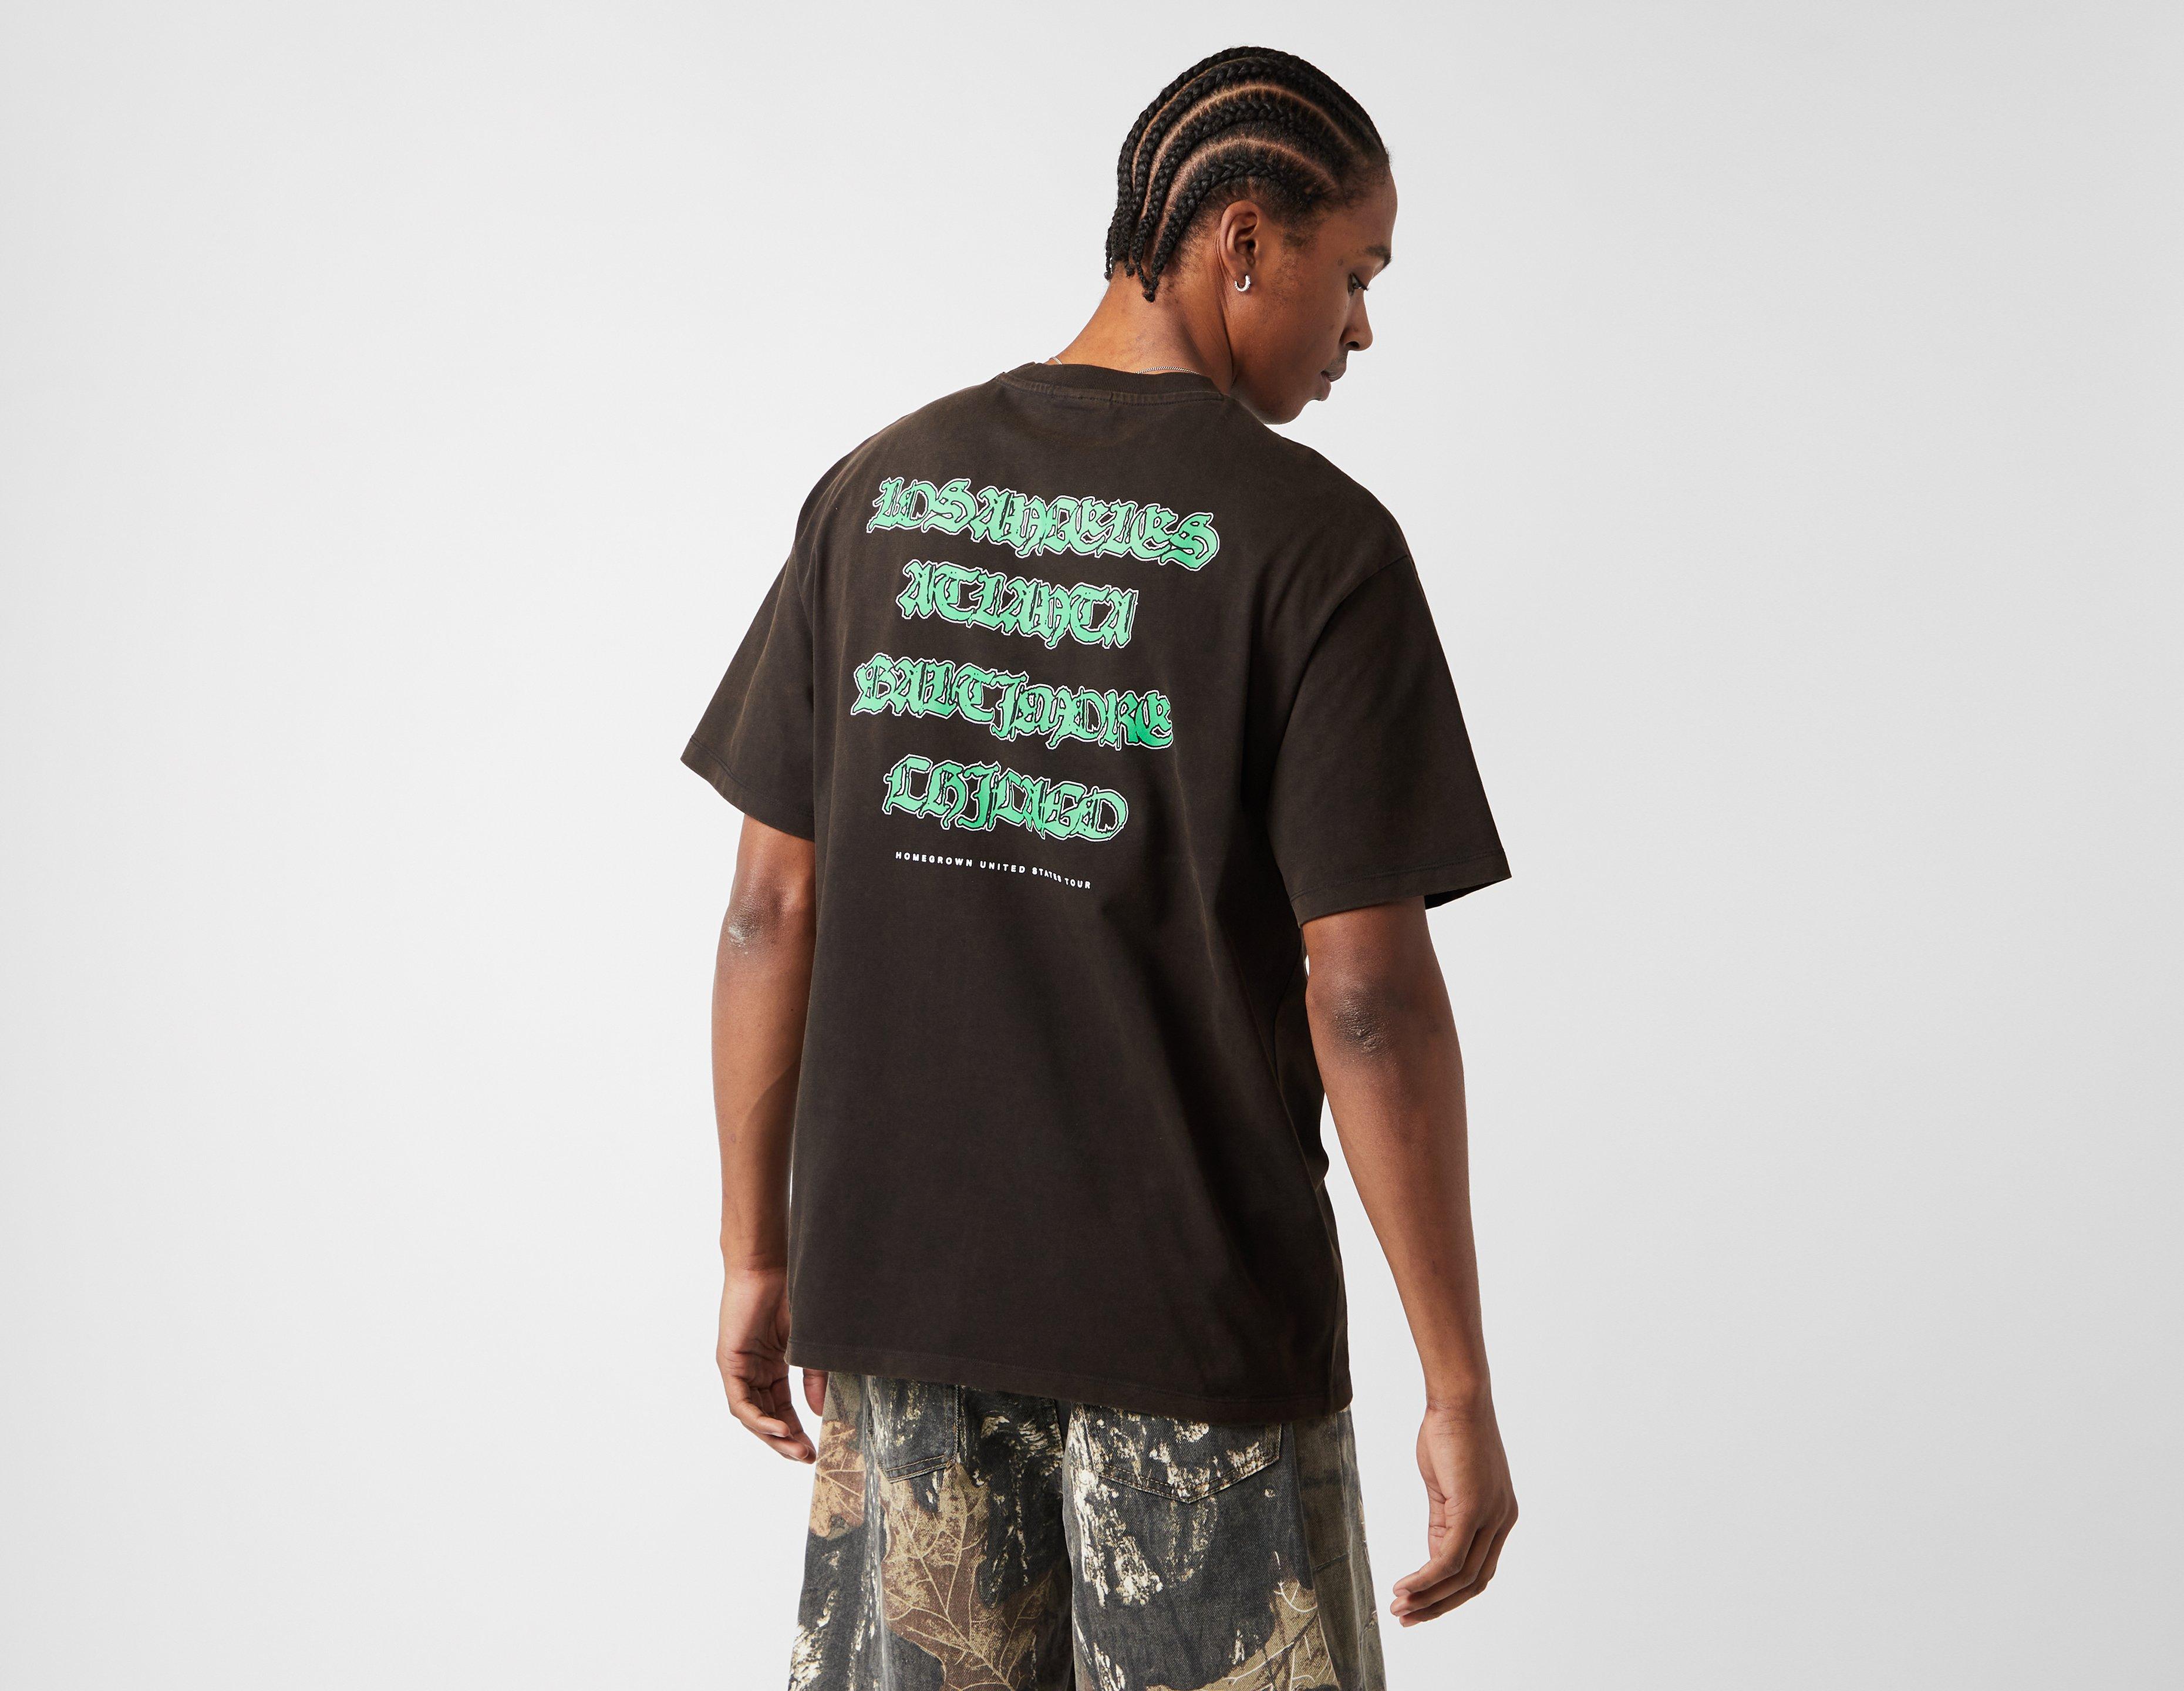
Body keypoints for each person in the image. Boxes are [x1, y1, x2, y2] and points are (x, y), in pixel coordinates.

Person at [683, 45, 1516, 1690]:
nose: (1360, 328)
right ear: (1245, 240)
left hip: (902, 1310)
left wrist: (754, 1252)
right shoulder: (1316, 547)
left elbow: (769, 911)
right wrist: (1458, 1384)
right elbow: (1364, 995)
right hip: (1195, 1329)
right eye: (1355, 275)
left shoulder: (879, 495)